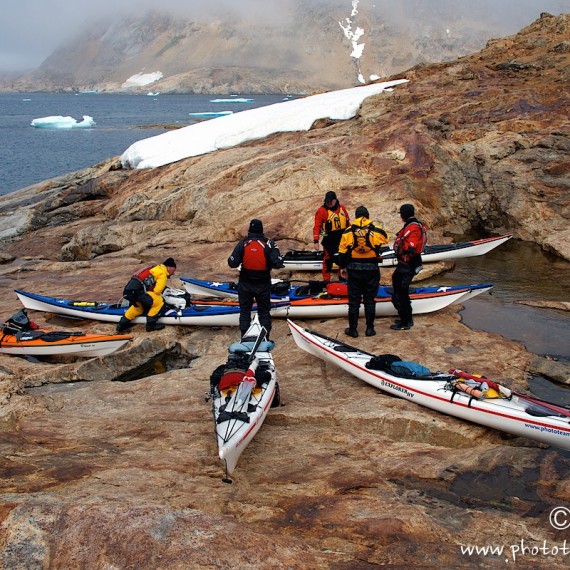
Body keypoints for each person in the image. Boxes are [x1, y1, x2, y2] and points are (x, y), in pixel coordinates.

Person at [337, 206, 389, 338]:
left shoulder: (348, 232)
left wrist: (342, 267)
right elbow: (386, 238)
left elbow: (342, 252)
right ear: (368, 216)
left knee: (354, 301)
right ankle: (370, 329)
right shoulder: (376, 230)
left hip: (354, 269)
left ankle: (353, 330)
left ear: (356, 216)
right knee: (370, 300)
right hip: (372, 269)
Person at [228, 219, 284, 340]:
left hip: (245, 283)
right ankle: (265, 338)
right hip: (262, 284)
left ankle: (244, 337)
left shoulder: (243, 243)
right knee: (264, 312)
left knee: (245, 311)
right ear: (261, 230)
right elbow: (278, 263)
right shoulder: (269, 244)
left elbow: (232, 263)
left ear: (249, 229)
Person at [390, 204, 428, 330]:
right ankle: (407, 318)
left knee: (400, 293)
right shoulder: (413, 225)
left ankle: (405, 322)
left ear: (404, 214)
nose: (400, 216)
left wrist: (403, 249)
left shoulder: (413, 228)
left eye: (401, 214)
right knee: (399, 289)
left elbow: (411, 246)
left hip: (408, 265)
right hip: (406, 264)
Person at [116, 258, 177, 333]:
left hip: (128, 292)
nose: (173, 273)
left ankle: (120, 326)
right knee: (158, 300)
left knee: (138, 307)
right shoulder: (162, 273)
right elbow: (157, 291)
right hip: (138, 292)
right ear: (169, 267)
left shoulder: (154, 268)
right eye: (173, 271)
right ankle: (151, 325)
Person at [313, 191, 350, 281]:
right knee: (327, 260)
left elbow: (348, 223)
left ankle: (342, 279)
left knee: (343, 259)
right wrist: (316, 241)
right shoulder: (322, 211)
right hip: (329, 238)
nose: (329, 203)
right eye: (327, 201)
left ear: (335, 200)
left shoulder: (342, 208)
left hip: (342, 237)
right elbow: (317, 227)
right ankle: (326, 281)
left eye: (331, 201)